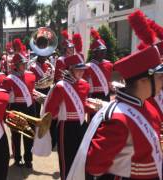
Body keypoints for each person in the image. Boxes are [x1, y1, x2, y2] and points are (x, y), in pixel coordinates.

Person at [66, 10, 163, 180]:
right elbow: (95, 166)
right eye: (160, 77)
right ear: (143, 81)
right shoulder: (119, 121)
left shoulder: (148, 106)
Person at [42, 54, 94, 180]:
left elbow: (82, 105)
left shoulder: (85, 85)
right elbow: (50, 111)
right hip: (66, 127)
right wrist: (59, 112)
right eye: (78, 69)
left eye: (83, 69)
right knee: (67, 159)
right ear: (70, 69)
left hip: (81, 125)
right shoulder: (61, 86)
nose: (81, 72)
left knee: (83, 157)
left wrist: (92, 107)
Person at [2, 53, 36, 168]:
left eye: (25, 63)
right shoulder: (9, 79)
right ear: (16, 65)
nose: (25, 65)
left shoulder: (31, 75)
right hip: (16, 107)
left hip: (30, 107)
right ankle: (17, 158)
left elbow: (32, 92)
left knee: (29, 134)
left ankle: (28, 159)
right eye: (22, 63)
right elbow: (5, 97)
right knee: (16, 134)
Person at [84, 28, 113, 102]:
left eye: (104, 51)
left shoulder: (109, 64)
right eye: (101, 51)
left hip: (106, 95)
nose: (103, 53)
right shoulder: (88, 66)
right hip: (93, 96)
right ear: (94, 52)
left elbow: (109, 81)